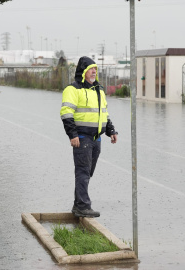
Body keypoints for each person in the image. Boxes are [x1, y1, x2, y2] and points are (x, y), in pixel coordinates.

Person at [60, 56, 118, 218]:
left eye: (95, 69)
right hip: (82, 137)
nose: (94, 71)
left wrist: (111, 131)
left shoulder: (99, 89)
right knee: (83, 171)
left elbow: (103, 113)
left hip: (96, 138)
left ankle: (78, 203)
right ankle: (83, 206)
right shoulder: (73, 89)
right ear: (83, 71)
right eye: (91, 69)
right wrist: (73, 135)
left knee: (87, 172)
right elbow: (66, 114)